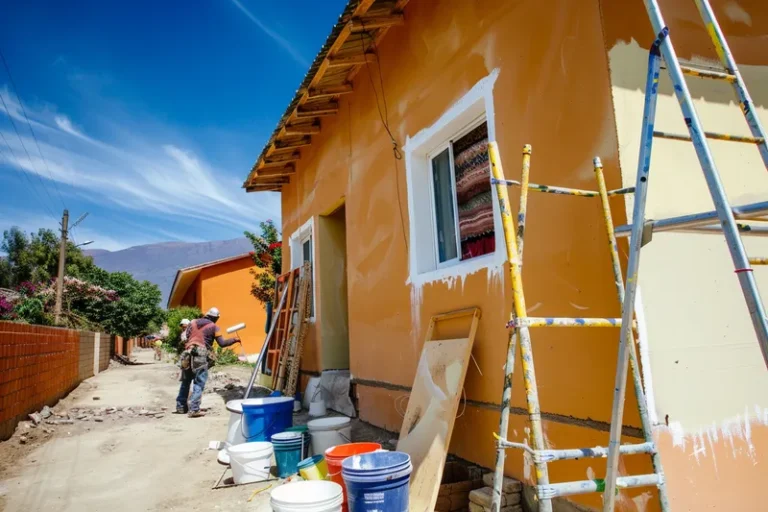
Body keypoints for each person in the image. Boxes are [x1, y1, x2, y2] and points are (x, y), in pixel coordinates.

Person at [175, 307, 240, 417]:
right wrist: (234, 339)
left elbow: (185, 337)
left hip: (187, 352)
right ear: (216, 318)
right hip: (200, 353)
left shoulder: (192, 322)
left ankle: (181, 407)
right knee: (199, 381)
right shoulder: (214, 327)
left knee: (185, 381)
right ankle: (194, 409)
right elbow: (222, 343)